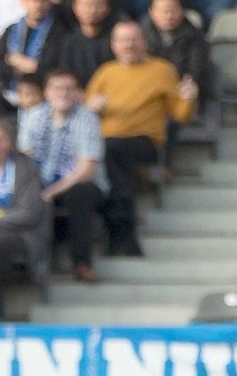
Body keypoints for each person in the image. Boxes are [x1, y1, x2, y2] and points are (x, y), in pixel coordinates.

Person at [85, 20, 192, 256]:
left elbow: (179, 115)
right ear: (113, 45)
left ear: (144, 42)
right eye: (123, 40)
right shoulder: (106, 72)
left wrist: (189, 98)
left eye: (133, 39)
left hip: (145, 142)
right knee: (111, 159)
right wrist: (92, 107)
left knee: (111, 153)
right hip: (107, 145)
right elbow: (85, 112)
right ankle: (126, 236)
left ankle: (118, 235)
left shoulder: (162, 70)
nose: (129, 45)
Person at [18, 68, 109, 281]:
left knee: (80, 193)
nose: (63, 93)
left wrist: (51, 192)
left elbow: (87, 170)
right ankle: (29, 264)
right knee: (24, 194)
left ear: (78, 92)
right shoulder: (33, 116)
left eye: (69, 89)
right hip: (41, 180)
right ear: (46, 92)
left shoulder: (88, 119)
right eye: (57, 88)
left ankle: (82, 263)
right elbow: (24, 158)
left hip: (79, 183)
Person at [0, 118, 50, 282]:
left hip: (19, 233)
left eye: (1, 139)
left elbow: (28, 214)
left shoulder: (27, 169)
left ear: (11, 142)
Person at [142, 0, 210, 101]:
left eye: (173, 11)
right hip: (148, 91)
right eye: (163, 11)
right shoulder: (141, 36)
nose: (169, 16)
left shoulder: (194, 37)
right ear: (151, 12)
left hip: (180, 92)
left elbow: (196, 70)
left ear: (182, 11)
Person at [46, 0, 114, 88]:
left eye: (98, 5)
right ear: (75, 7)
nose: (92, 10)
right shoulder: (66, 43)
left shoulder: (116, 41)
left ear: (107, 8)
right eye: (87, 5)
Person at [0, 0, 59, 81]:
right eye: (33, 1)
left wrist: (34, 67)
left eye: (43, 1)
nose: (38, 5)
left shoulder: (58, 33)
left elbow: (56, 65)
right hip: (12, 87)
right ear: (23, 2)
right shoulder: (11, 30)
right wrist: (18, 63)